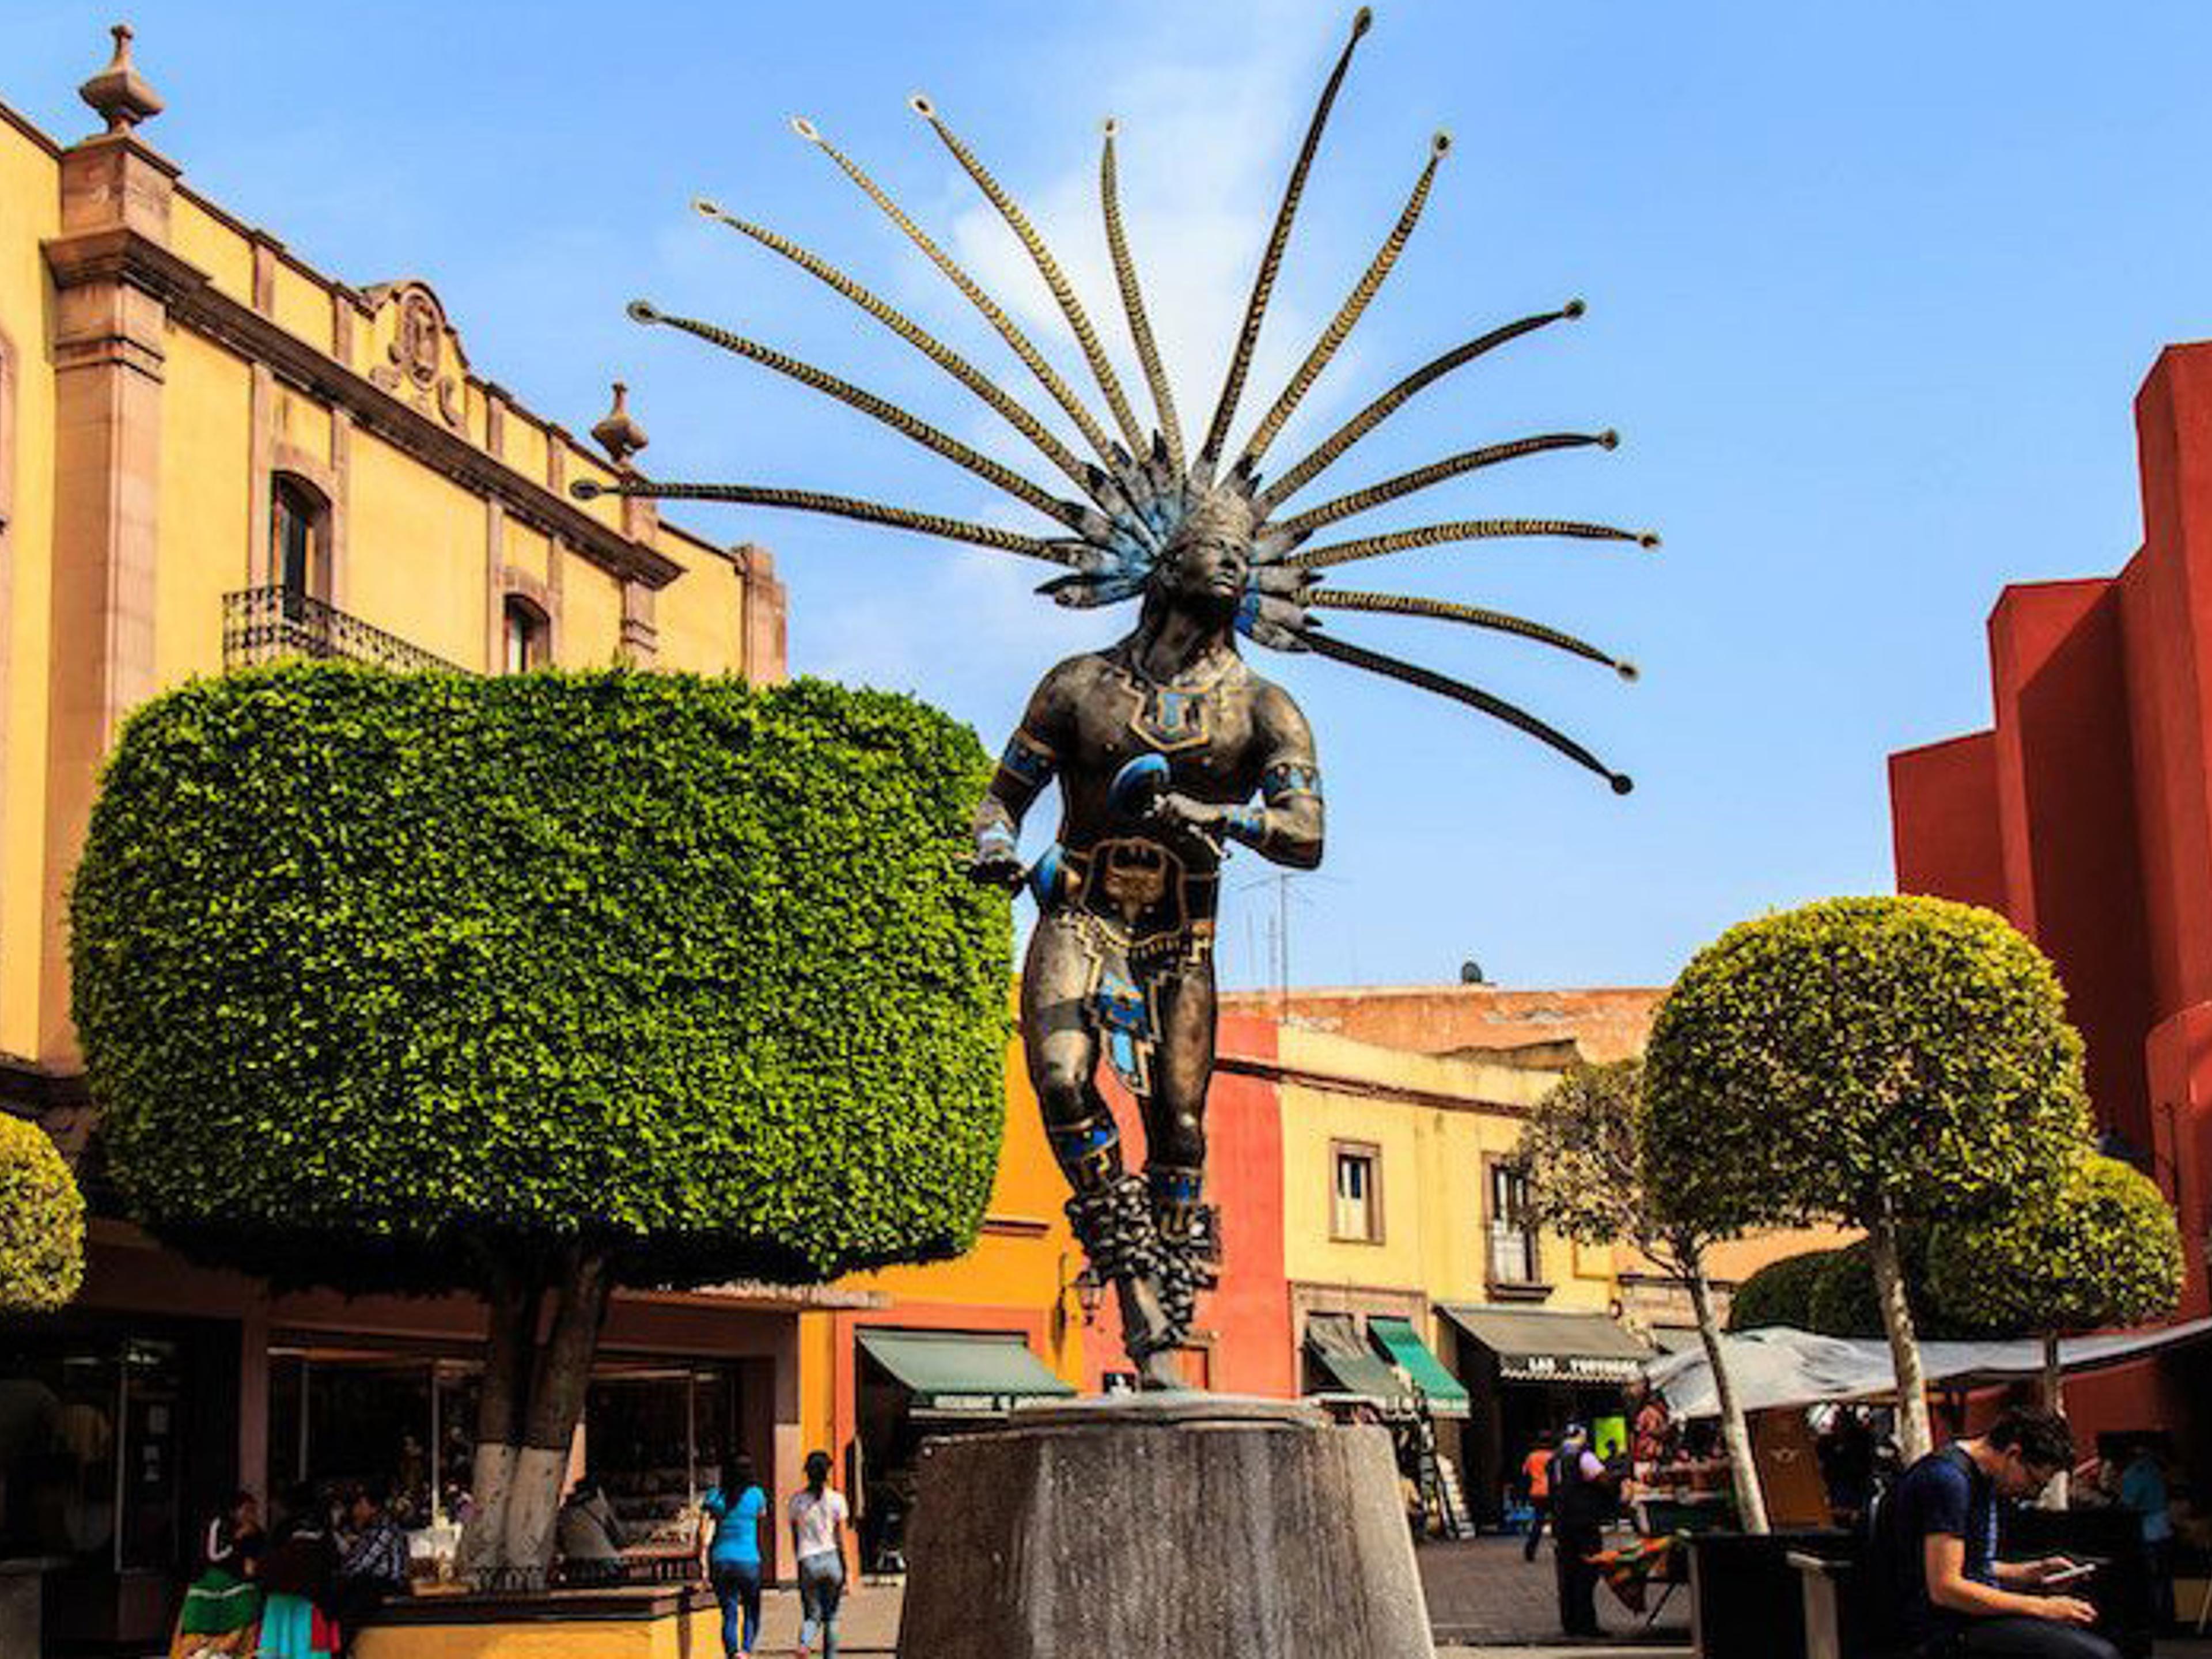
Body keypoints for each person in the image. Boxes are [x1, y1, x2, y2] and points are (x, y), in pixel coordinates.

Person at [969, 493, 1324, 1387]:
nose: (1232, 566)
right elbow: (999, 798)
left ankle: (1171, 1305)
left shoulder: (1263, 710)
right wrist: (996, 848)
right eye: (1212, 549)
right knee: (1057, 1074)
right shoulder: (1078, 686)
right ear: (1165, 565)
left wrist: (1223, 814)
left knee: (1183, 1120)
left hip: (1180, 939)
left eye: (1243, 556)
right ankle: (1129, 1282)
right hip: (1080, 911)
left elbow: (1308, 834)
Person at [1885, 1406, 2117, 1657]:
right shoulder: (1948, 1481)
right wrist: (2042, 1607)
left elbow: (1968, 1566)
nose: (2033, 1494)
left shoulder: (1980, 1480)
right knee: (2095, 1655)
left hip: (1968, 1618)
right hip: (1942, 1629)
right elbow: (1945, 1588)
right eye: (2034, 1482)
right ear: (2014, 1454)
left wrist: (2033, 1572)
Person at [170, 1489, 264, 1658]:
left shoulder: (255, 1531)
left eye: (254, 1510)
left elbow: (258, 1555)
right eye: (247, 1509)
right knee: (202, 1628)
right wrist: (237, 1539)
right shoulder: (219, 1524)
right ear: (234, 1510)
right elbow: (213, 1555)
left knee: (246, 1618)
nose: (252, 1515)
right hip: (212, 1584)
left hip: (241, 1585)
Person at [257, 1483, 340, 1659]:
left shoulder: (282, 1529)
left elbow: (265, 1564)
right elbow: (333, 1563)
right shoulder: (322, 1528)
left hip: (279, 1603)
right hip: (311, 1604)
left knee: (279, 1651)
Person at [700, 1453, 769, 1658]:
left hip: (721, 1560)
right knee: (751, 1611)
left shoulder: (714, 1496)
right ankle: (746, 1650)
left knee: (729, 1612)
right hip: (749, 1560)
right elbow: (762, 1514)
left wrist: (702, 1562)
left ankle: (732, 1653)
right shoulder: (756, 1494)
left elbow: (703, 1531)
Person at [789, 1449, 854, 1659]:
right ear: (828, 1472)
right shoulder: (837, 1500)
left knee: (811, 1615)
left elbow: (795, 1538)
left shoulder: (797, 1501)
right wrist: (848, 1569)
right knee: (832, 1617)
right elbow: (842, 1538)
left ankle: (804, 1644)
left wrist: (798, 1562)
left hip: (807, 1559)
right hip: (831, 1559)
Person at [1548, 1423, 1611, 1638]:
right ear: (1582, 1437)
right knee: (1587, 1572)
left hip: (1562, 1523)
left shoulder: (1555, 1458)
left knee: (1567, 1574)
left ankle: (1570, 1623)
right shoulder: (1584, 1456)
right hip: (1583, 1523)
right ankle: (1587, 1625)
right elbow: (1602, 1478)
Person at [331, 1480, 409, 1653]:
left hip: (388, 1584)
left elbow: (362, 1562)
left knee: (355, 1596)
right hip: (372, 1582)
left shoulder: (385, 1529)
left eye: (360, 1504)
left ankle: (339, 1649)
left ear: (372, 1507)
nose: (356, 1510)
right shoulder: (370, 1531)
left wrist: (342, 1574)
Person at [2118, 1439, 2173, 1630]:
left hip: (2147, 1532)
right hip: (2163, 1530)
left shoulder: (2135, 1473)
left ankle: (2154, 1621)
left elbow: (2127, 1504)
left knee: (2150, 1579)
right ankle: (2167, 1620)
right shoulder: (2156, 1470)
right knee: (2164, 1580)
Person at [555, 1475, 627, 1586]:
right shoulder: (599, 1506)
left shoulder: (564, 1511)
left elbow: (561, 1543)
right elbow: (621, 1540)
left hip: (574, 1568)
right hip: (606, 1567)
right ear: (598, 1491)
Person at [1520, 1431, 1554, 1562]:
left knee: (1538, 1523)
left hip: (1536, 1492)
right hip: (1552, 1492)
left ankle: (1530, 1551)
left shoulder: (1531, 1457)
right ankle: (1563, 1550)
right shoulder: (1553, 1456)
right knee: (1559, 1522)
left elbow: (1525, 1474)